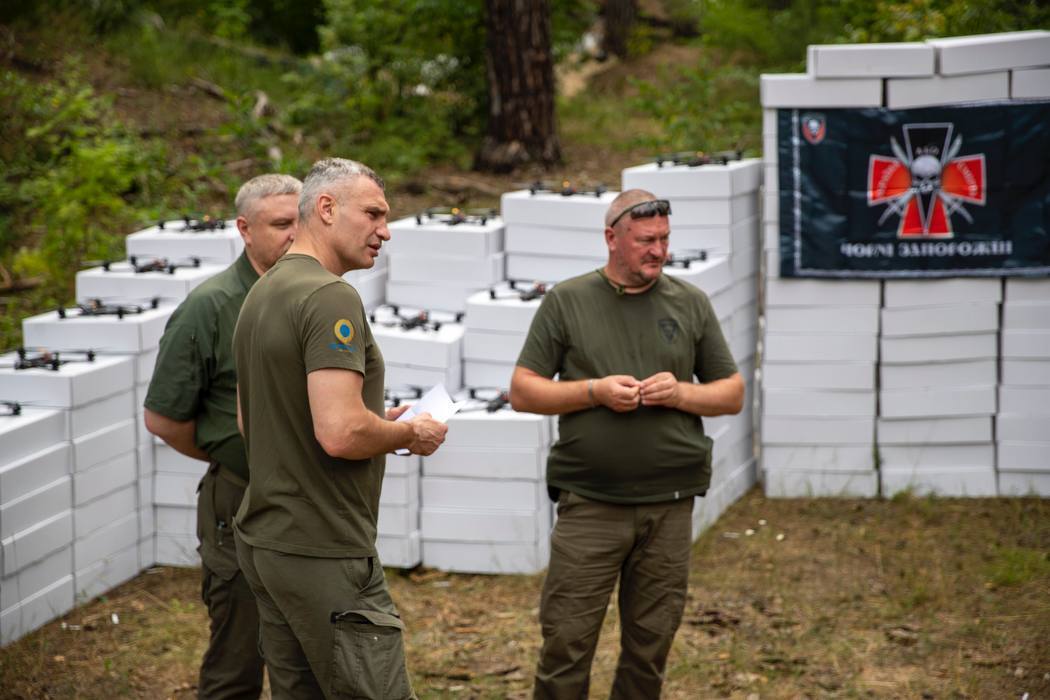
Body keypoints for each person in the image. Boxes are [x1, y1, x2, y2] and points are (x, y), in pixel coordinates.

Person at [511, 188, 745, 699]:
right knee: (567, 641)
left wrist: (681, 393)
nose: (658, 251)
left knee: (650, 645)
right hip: (591, 502)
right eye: (645, 240)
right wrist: (593, 392)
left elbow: (732, 394)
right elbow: (523, 391)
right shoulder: (568, 300)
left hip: (670, 503)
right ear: (612, 238)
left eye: (664, 239)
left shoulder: (690, 302)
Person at [232, 157, 447, 699]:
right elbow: (340, 434)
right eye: (373, 214)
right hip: (323, 545)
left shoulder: (263, 290)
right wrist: (409, 434)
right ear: (326, 208)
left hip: (267, 541)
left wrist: (375, 422)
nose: (385, 231)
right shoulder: (331, 296)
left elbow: (252, 417)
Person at [144, 173, 302, 699]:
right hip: (240, 501)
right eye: (279, 223)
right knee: (238, 653)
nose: (293, 234)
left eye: (300, 222)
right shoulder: (209, 307)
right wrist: (234, 454)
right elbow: (164, 418)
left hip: (305, 500)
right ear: (244, 229)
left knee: (307, 657)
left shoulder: (313, 295)